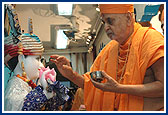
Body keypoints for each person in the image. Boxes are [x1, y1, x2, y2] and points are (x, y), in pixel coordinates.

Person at [50, 4, 164, 111]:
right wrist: (70, 74)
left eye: (110, 21)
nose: (106, 28)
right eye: (104, 22)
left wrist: (119, 88)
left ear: (129, 18)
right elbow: (91, 85)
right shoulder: (109, 49)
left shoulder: (150, 40)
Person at [4, 4, 69, 111]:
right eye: (37, 59)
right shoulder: (15, 89)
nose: (41, 65)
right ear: (21, 59)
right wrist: (44, 93)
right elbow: (22, 107)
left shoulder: (27, 85)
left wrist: (46, 90)